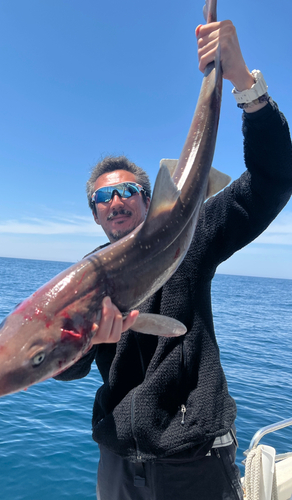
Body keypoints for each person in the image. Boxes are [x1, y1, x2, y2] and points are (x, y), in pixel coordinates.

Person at [55, 20, 292, 500]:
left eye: (128, 190)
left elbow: (274, 178)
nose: (116, 199)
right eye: (104, 195)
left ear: (148, 200)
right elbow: (68, 367)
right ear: (95, 213)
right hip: (119, 464)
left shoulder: (193, 234)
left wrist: (245, 83)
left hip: (194, 462)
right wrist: (80, 346)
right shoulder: (87, 274)